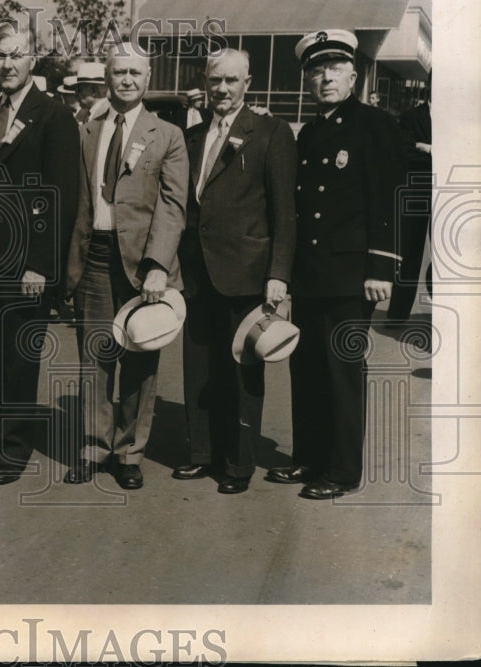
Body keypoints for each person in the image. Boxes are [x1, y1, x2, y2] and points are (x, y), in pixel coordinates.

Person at [267, 30, 404, 499]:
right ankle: (308, 458)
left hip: (351, 275)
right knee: (305, 370)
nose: (324, 77)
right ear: (307, 79)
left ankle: (343, 471)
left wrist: (382, 268)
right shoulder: (310, 131)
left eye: (333, 68)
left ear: (353, 74)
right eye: (315, 70)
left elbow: (386, 199)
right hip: (312, 274)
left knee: (342, 372)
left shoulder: (374, 125)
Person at [64, 40, 189, 489]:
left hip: (142, 267)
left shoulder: (167, 135)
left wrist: (158, 264)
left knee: (140, 356)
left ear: (148, 79)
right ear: (108, 78)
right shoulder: (87, 130)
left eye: (136, 73)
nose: (127, 80)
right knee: (94, 358)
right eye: (120, 72)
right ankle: (93, 447)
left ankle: (129, 452)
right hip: (94, 258)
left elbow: (173, 207)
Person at [174, 49, 297, 494]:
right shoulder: (192, 136)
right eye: (215, 81)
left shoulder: (271, 132)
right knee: (199, 366)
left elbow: (285, 213)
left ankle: (238, 464)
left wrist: (278, 273)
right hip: (196, 272)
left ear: (248, 83)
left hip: (246, 273)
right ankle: (201, 453)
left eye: (231, 81)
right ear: (205, 83)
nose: (222, 90)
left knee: (242, 371)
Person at [0, 23, 80, 485]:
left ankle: (12, 450)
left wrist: (40, 264)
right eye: (0, 56)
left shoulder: (53, 116)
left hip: (25, 262)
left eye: (16, 56)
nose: (7, 64)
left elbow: (62, 196)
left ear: (33, 59)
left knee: (17, 358)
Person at [387, 86, 432, 321]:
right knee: (409, 254)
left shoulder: (459, 118)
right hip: (416, 192)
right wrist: (432, 151)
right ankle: (397, 314)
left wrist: (422, 147)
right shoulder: (411, 117)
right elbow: (403, 151)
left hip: (445, 194)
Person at [73, 61, 106, 126]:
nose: (76, 94)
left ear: (94, 91)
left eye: (79, 89)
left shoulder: (106, 114)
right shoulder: (87, 114)